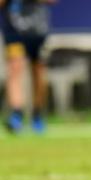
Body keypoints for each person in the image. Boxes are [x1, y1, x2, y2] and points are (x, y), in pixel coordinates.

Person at [1, 0, 52, 134]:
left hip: (37, 30)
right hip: (14, 30)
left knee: (38, 72)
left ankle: (37, 114)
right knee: (15, 68)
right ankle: (16, 114)